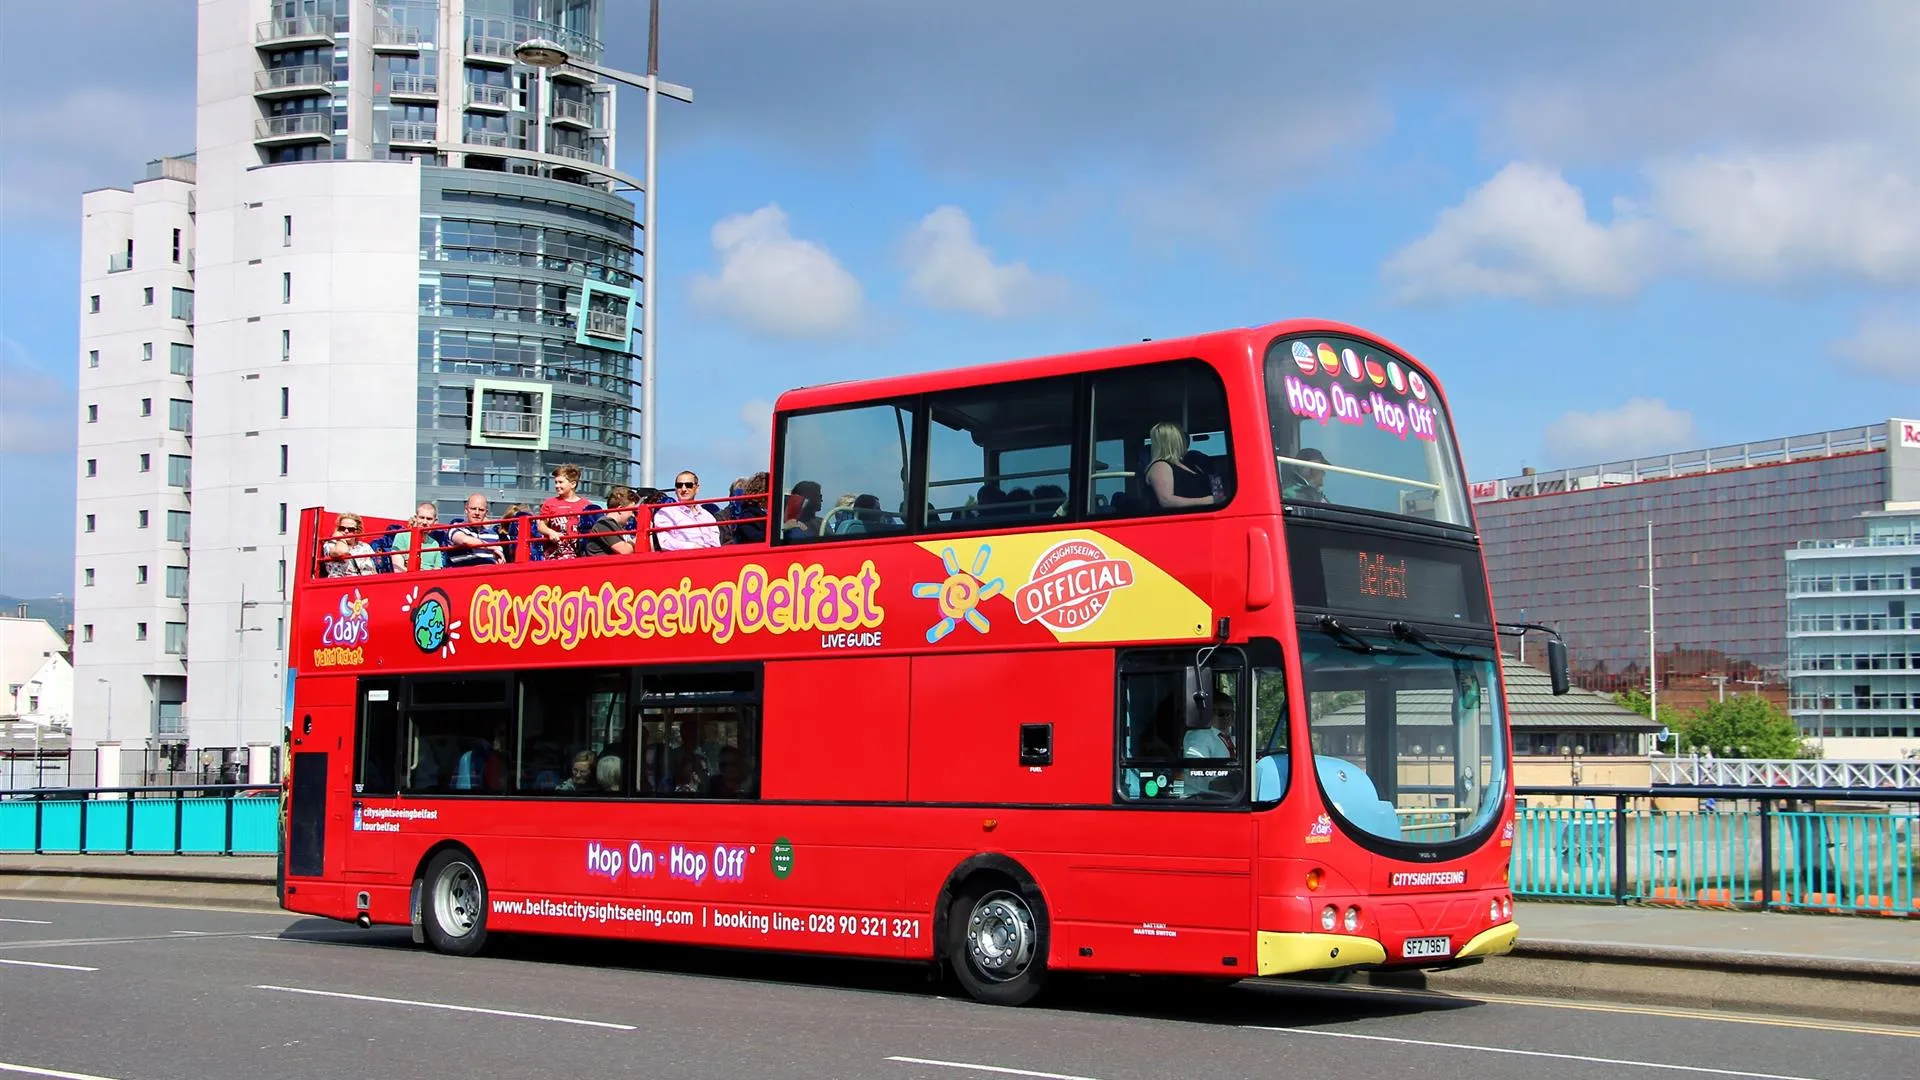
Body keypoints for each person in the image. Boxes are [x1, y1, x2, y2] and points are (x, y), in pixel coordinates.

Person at [1144, 421, 1217, 511]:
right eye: (1183, 437)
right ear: (1175, 441)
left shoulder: (1190, 464)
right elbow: (1166, 501)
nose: (1187, 440)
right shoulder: (1160, 466)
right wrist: (1208, 501)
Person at [536, 464, 593, 559]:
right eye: (555, 482)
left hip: (580, 555)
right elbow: (541, 526)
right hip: (555, 555)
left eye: (560, 482)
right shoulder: (549, 503)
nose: (557, 486)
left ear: (573, 484)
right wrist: (550, 532)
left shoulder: (587, 505)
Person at [653, 470, 721, 549]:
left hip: (710, 557)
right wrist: (693, 546)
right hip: (682, 558)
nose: (683, 489)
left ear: (697, 488)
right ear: (675, 489)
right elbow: (665, 543)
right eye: (679, 485)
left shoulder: (707, 516)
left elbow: (716, 543)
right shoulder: (665, 513)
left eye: (688, 485)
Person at [445, 494, 505, 568]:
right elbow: (465, 540)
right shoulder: (456, 527)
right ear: (466, 510)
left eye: (481, 510)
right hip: (463, 575)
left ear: (486, 512)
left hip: (488, 575)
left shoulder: (493, 535)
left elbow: (499, 558)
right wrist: (492, 547)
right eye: (473, 509)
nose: (477, 513)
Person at [582, 486, 639, 556]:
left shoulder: (616, 526)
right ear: (621, 509)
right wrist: (640, 535)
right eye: (632, 511)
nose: (633, 515)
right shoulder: (604, 524)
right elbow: (624, 550)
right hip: (601, 565)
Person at [389, 501, 445, 572]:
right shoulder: (401, 537)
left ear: (435, 521)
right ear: (416, 518)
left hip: (429, 581)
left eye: (429, 519)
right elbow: (398, 570)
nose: (424, 522)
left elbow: (437, 571)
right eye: (422, 518)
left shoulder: (435, 544)